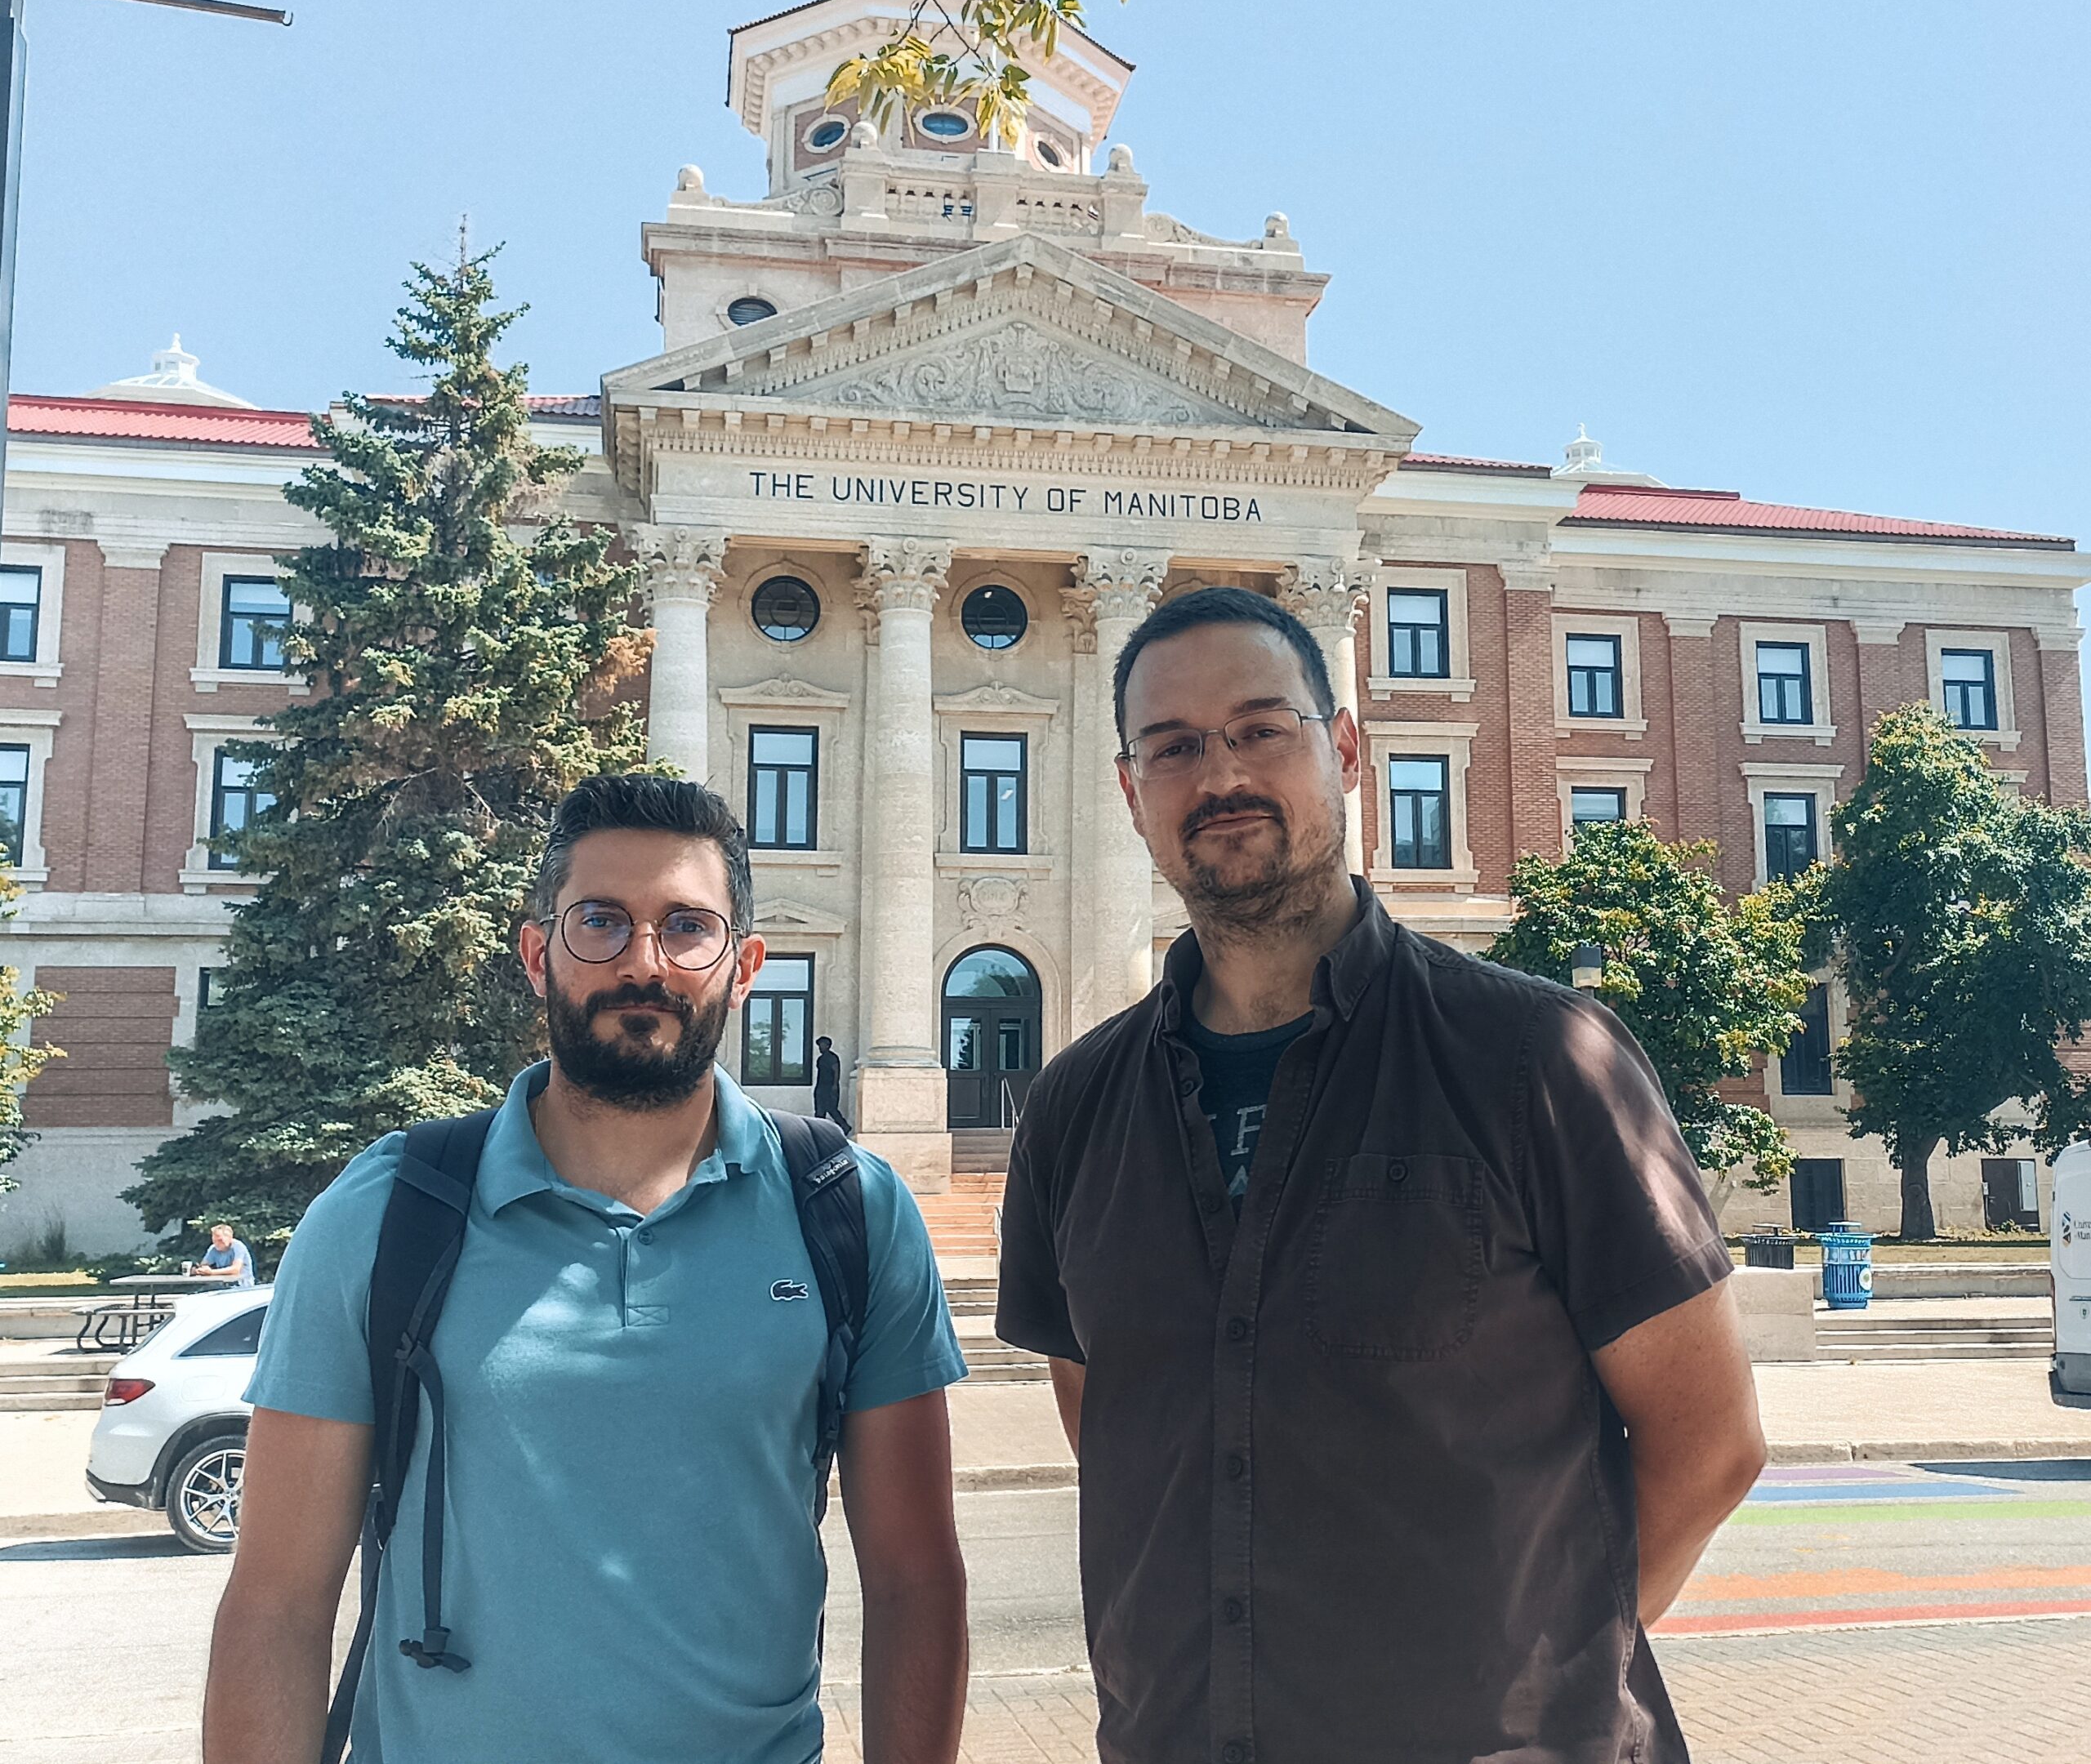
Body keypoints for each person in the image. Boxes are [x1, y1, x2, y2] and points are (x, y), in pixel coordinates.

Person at [995, 586, 1766, 1764]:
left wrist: (1546, 1664)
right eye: (1175, 746)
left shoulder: (1540, 1060)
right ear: (1130, 790)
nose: (1222, 775)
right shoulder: (1074, 1110)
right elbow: (1119, 1432)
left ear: (1345, 749)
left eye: (1262, 728)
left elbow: (1710, 1438)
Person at [204, 775, 969, 1764]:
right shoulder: (387, 1212)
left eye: (686, 927)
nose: (643, 963)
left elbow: (915, 1581)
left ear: (744, 967)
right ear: (537, 954)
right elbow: (275, 1602)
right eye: (601, 920)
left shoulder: (848, 1210)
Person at [187, 1223, 254, 1287]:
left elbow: (235, 1270)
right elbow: (204, 1265)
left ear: (230, 1238)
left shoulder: (238, 1247)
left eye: (220, 1240)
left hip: (242, 1286)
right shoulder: (213, 1249)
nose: (217, 1244)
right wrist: (199, 1270)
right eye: (214, 1241)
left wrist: (211, 1272)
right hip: (223, 1286)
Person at [812, 1034, 853, 1135]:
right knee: (819, 1110)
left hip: (829, 1087)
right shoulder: (820, 1059)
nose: (820, 1047)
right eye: (819, 1045)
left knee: (831, 1109)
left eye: (822, 1045)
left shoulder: (832, 1058)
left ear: (828, 1046)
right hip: (821, 1086)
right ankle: (819, 1130)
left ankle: (844, 1126)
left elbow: (836, 1071)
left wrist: (834, 1085)